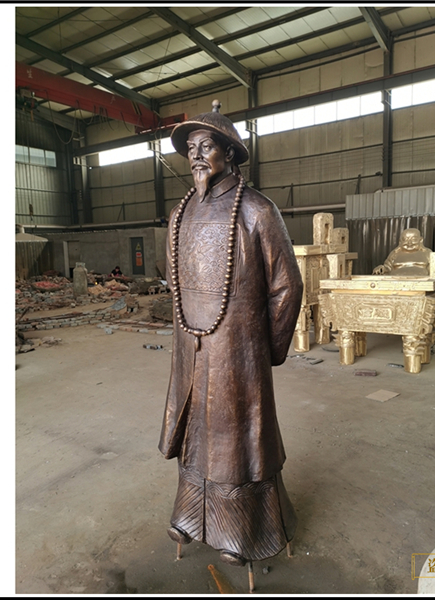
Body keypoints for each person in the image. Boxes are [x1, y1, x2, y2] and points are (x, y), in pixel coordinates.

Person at [158, 100, 304, 567]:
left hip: (238, 350)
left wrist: (266, 350)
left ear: (230, 153)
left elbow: (287, 287)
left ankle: (242, 531)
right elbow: (174, 281)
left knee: (237, 440)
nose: (197, 156)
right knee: (195, 432)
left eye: (207, 147)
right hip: (192, 347)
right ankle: (190, 515)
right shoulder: (180, 214)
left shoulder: (257, 210)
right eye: (191, 149)